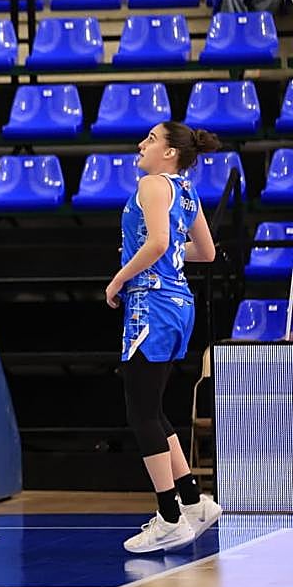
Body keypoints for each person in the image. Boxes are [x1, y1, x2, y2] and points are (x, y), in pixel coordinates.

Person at [103, 122, 223, 553]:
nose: (141, 144)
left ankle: (169, 515)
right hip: (178, 305)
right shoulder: (186, 190)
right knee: (153, 408)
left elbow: (155, 243)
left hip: (150, 304)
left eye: (151, 139)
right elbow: (204, 252)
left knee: (140, 412)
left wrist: (118, 279)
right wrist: (171, 251)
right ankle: (192, 500)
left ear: (170, 152)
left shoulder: (152, 184)